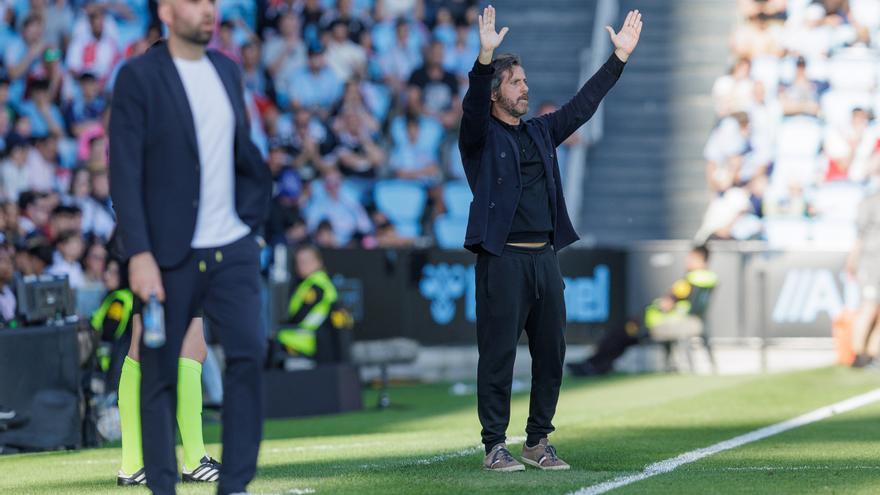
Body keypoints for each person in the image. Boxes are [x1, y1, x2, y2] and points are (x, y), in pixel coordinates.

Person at [459, 5, 640, 472]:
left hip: (544, 259)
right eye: (516, 82)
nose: (525, 87)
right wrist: (484, 59)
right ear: (496, 93)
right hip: (502, 261)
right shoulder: (479, 137)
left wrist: (618, 59)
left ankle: (537, 441)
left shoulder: (540, 131)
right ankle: (494, 445)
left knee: (552, 355)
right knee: (497, 357)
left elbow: (583, 105)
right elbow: (473, 106)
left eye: (524, 81)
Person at [108, 0, 272, 493]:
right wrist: (139, 251)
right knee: (151, 353)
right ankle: (144, 466)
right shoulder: (139, 78)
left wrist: (250, 222)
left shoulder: (226, 70)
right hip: (165, 249)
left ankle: (224, 475)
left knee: (243, 354)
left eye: (211, 2)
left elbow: (241, 153)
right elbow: (124, 171)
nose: (208, 10)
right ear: (165, 12)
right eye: (194, 2)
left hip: (229, 244)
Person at [91, 246, 220, 486]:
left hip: (160, 249)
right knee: (183, 346)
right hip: (168, 249)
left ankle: (133, 465)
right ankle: (193, 461)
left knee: (146, 346)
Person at [567, 246, 717, 376]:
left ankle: (593, 365)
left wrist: (660, 304)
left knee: (620, 333)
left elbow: (667, 303)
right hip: (671, 321)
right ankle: (598, 364)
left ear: (700, 259)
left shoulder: (689, 280)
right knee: (623, 334)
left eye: (691, 258)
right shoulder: (709, 278)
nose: (687, 261)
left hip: (660, 324)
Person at [272, 243, 352, 365]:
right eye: (298, 262)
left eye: (305, 262)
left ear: (318, 262)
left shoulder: (317, 286)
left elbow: (299, 316)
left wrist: (282, 327)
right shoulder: (309, 283)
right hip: (304, 339)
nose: (301, 266)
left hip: (305, 342)